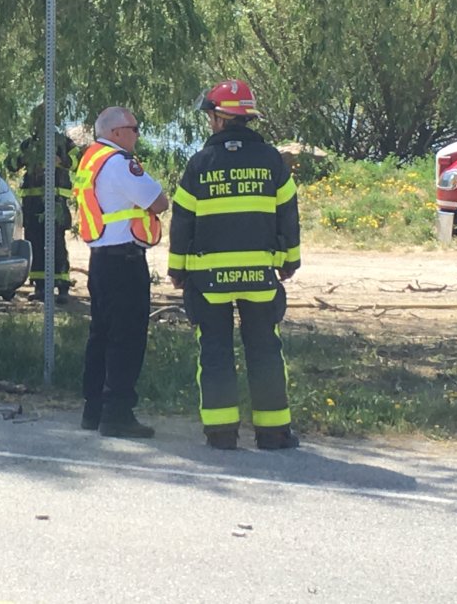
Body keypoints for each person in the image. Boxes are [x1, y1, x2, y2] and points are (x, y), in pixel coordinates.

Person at [166, 79, 302, 451]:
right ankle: (274, 433)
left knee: (214, 352)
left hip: (209, 280)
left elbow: (182, 221)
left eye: (211, 116)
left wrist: (177, 270)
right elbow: (288, 215)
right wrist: (290, 261)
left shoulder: (199, 164)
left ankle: (222, 433)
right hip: (259, 277)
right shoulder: (272, 160)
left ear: (221, 118)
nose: (210, 122)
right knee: (265, 351)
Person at [74, 106, 169, 438]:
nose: (137, 134)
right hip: (124, 261)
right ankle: (117, 413)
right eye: (135, 128)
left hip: (100, 259)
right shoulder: (118, 162)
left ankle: (94, 410)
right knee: (126, 338)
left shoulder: (90, 160)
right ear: (115, 133)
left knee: (100, 336)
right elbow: (158, 202)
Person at [5, 107, 75, 304]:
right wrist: (22, 158)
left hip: (56, 203)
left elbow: (80, 161)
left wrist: (63, 161)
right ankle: (41, 286)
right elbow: (11, 164)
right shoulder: (28, 144)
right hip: (33, 203)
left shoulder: (62, 142)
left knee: (57, 244)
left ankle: (62, 288)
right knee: (35, 243)